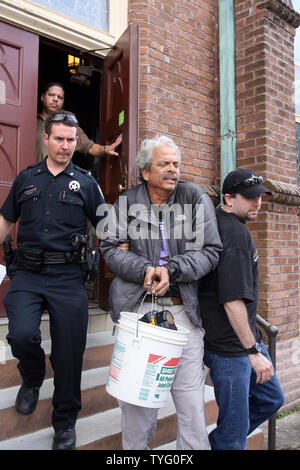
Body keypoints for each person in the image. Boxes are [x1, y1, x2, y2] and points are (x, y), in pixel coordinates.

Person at [100, 135, 222, 450]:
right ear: (145, 172)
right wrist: (144, 269)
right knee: (138, 404)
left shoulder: (195, 197)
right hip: (140, 314)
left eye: (176, 164)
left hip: (184, 312)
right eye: (164, 164)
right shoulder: (127, 203)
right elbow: (110, 247)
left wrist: (173, 270)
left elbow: (211, 250)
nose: (172, 170)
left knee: (192, 403)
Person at [0, 110, 107, 450]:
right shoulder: (26, 179)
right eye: (59, 139)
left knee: (69, 354)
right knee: (20, 334)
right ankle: (32, 378)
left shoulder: (87, 183)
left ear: (77, 143)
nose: (65, 146)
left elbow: (109, 229)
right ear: (46, 139)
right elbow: (5, 221)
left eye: (71, 140)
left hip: (67, 278)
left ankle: (64, 422)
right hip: (28, 274)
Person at [198, 169, 285, 450]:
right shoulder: (234, 234)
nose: (257, 203)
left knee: (272, 399)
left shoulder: (226, 225)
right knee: (235, 437)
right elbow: (232, 300)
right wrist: (252, 351)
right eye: (249, 198)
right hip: (231, 350)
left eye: (259, 196)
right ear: (229, 199)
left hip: (242, 344)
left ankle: (218, 443)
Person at [36, 82, 122, 162]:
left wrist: (106, 149)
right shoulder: (30, 121)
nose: (55, 99)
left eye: (60, 97)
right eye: (51, 95)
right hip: (34, 175)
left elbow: (89, 147)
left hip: (59, 176)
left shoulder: (69, 125)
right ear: (42, 97)